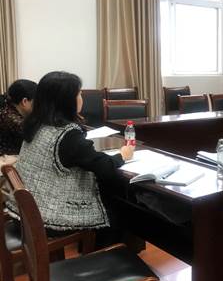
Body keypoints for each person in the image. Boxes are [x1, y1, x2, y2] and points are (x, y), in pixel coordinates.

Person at [5, 71, 134, 239]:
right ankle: (111, 252)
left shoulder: (35, 124)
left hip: (22, 214)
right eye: (79, 94)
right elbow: (104, 167)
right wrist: (122, 155)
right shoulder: (66, 134)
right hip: (48, 221)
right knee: (118, 204)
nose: (81, 98)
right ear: (66, 100)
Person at [0, 79, 37, 155]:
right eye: (36, 102)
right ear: (24, 101)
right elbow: (37, 139)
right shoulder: (13, 119)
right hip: (8, 159)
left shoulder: (7, 106)